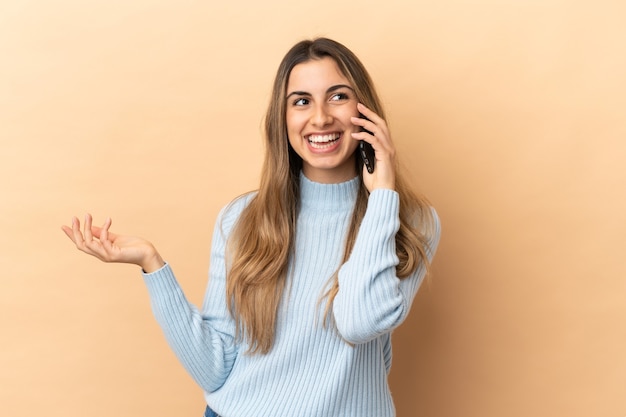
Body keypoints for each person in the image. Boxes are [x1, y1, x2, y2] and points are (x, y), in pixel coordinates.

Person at [62, 37, 441, 417]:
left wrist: (382, 198)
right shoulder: (242, 218)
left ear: (366, 112)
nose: (321, 117)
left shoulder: (411, 223)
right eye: (301, 101)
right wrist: (151, 262)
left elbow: (359, 321)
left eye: (338, 96)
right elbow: (214, 368)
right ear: (283, 118)